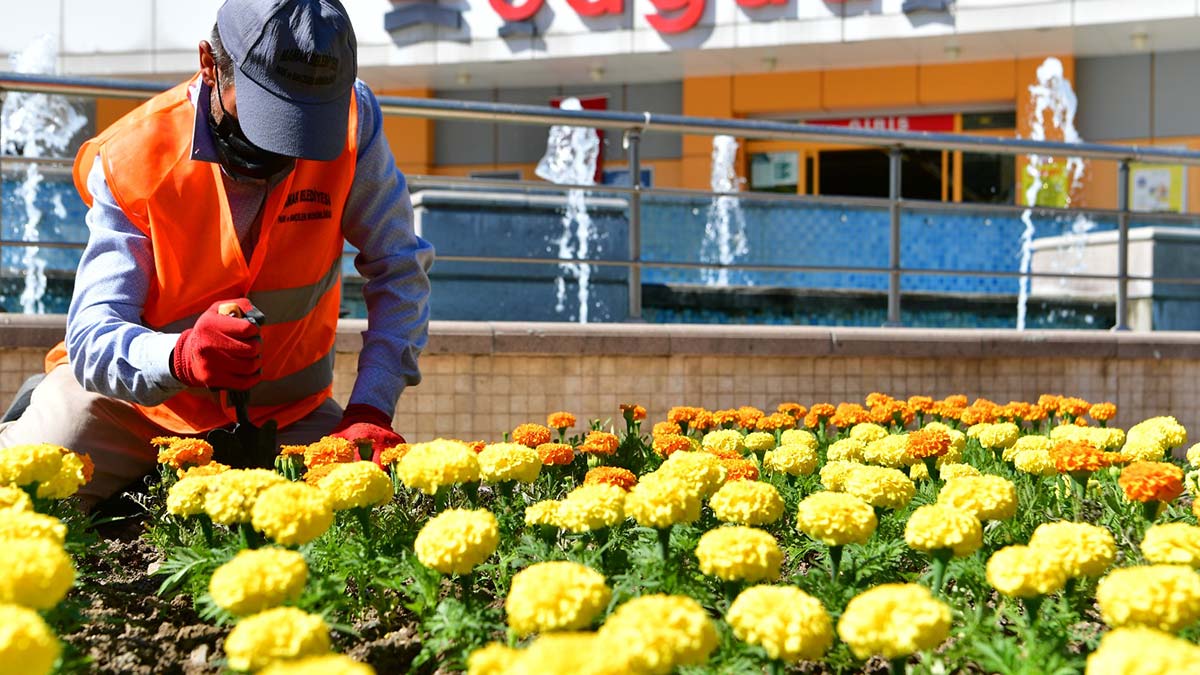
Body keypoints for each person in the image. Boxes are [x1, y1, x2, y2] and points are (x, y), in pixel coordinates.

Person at [0, 0, 433, 507]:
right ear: (209, 64)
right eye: (270, 116)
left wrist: (370, 410)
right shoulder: (134, 155)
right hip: (131, 408)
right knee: (21, 492)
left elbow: (399, 267)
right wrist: (180, 357)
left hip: (286, 416)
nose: (287, 146)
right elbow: (93, 337)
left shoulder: (356, 121)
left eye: (307, 125)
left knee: (368, 514)